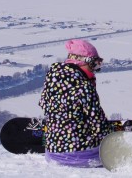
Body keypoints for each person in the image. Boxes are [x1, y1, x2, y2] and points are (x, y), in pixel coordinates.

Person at [38, 38, 112, 167]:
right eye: (94, 64)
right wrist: (112, 135)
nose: (95, 69)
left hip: (52, 155)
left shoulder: (51, 80)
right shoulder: (84, 86)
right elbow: (97, 124)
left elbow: (43, 104)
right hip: (81, 156)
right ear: (82, 61)